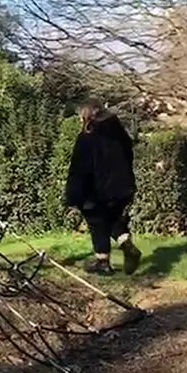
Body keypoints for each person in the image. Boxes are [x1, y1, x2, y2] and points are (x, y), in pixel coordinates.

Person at [64, 99, 142, 275]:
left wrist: (73, 196)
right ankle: (127, 245)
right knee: (112, 219)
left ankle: (103, 262)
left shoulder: (86, 137)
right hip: (122, 188)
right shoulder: (119, 134)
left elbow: (79, 169)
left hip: (97, 191)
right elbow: (128, 156)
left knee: (96, 221)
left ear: (87, 116)